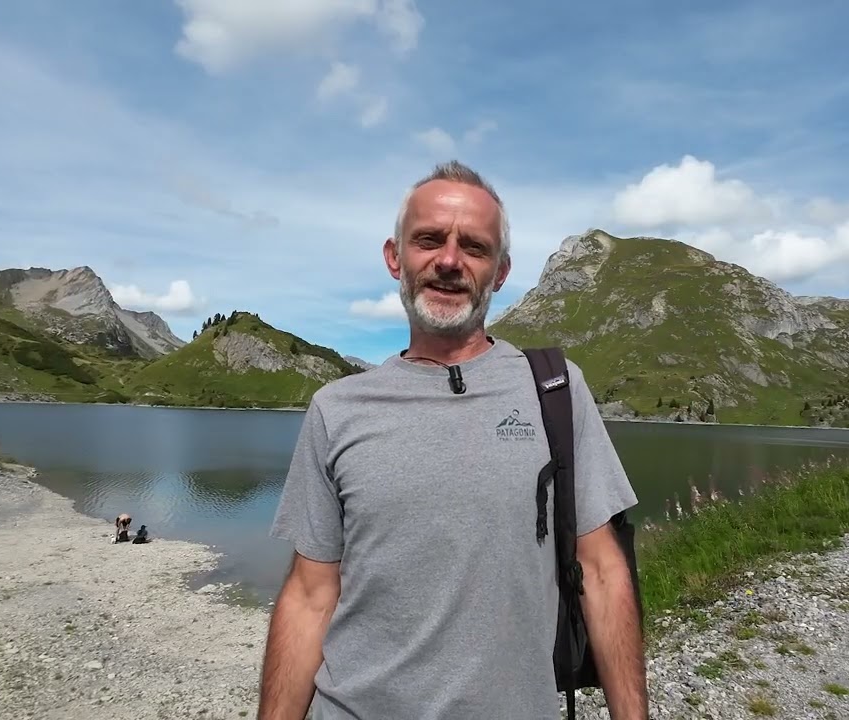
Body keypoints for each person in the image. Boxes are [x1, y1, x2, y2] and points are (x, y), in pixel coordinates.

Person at [257, 160, 647, 720]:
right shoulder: (336, 410)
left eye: (474, 247)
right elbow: (309, 593)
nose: (448, 261)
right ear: (396, 257)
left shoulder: (556, 390)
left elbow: (604, 572)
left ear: (501, 271)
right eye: (428, 240)